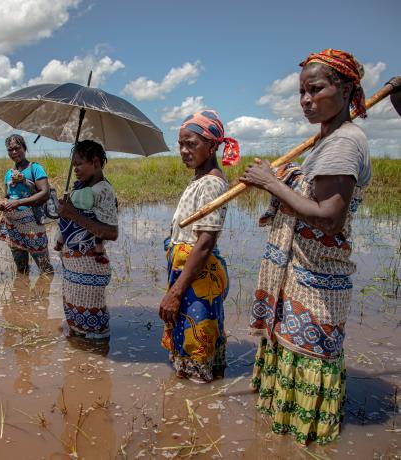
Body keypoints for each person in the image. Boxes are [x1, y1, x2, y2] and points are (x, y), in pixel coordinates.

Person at [241, 49, 371, 444]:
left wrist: (273, 184)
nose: (306, 100)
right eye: (301, 92)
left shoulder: (345, 143)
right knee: (293, 351)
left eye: (315, 90)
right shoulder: (325, 141)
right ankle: (281, 441)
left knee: (310, 357)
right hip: (299, 274)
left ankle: (305, 439)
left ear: (346, 90)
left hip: (317, 278)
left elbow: (328, 218)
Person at [159, 110, 239, 383]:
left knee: (198, 341)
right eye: (181, 144)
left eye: (191, 144)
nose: (183, 150)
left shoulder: (212, 184)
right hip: (190, 275)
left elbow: (204, 243)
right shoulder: (200, 180)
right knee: (192, 337)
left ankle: (198, 403)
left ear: (212, 146)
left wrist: (176, 291)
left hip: (196, 276)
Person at [57, 140, 118, 339]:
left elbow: (111, 232)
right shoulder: (81, 189)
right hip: (75, 267)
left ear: (96, 163)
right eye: (73, 164)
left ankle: (98, 360)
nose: (75, 169)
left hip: (89, 267)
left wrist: (72, 214)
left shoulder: (103, 190)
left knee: (93, 330)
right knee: (77, 323)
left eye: (80, 164)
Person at [0, 134, 53, 274]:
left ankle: (45, 293)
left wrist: (18, 202)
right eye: (10, 150)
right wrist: (3, 203)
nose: (14, 152)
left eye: (17, 148)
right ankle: (22, 294)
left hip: (32, 224)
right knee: (21, 270)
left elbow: (45, 193)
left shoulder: (35, 168)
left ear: (24, 148)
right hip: (13, 225)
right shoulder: (8, 174)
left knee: (45, 269)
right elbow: (7, 196)